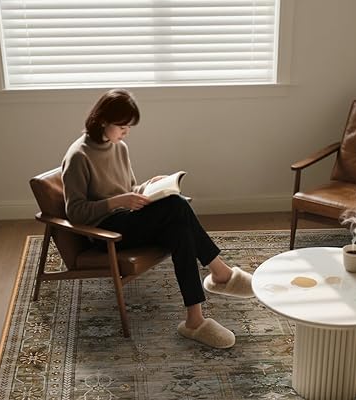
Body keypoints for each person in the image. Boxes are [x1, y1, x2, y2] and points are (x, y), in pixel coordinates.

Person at [61, 89, 254, 349]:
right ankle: (221, 273)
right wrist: (118, 201)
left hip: (129, 220)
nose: (126, 133)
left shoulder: (119, 147)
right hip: (106, 233)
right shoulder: (78, 156)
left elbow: (128, 189)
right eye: (122, 127)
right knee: (177, 206)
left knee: (180, 229)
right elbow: (75, 212)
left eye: (129, 128)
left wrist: (149, 186)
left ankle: (194, 320)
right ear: (102, 120)